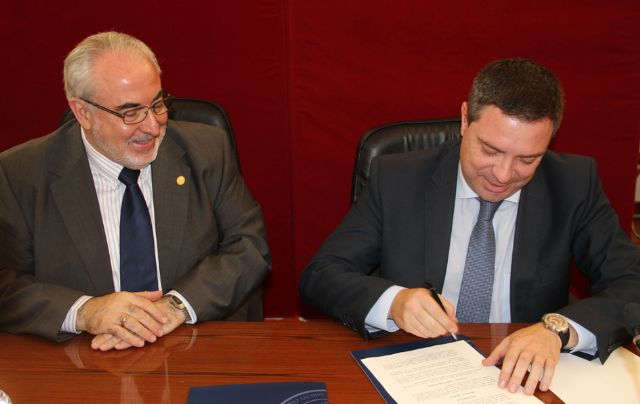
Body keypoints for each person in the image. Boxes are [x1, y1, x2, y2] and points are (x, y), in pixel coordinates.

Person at [299, 58, 640, 395]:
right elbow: (321, 274)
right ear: (465, 120)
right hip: (416, 370)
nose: (504, 175)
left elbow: (631, 282)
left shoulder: (574, 184)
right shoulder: (398, 179)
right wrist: (394, 302)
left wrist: (558, 330)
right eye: (490, 150)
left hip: (521, 380)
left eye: (527, 159)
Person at [0, 32, 271, 351]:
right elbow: (6, 282)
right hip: (81, 358)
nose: (153, 127)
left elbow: (249, 246)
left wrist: (174, 307)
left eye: (157, 104)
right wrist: (85, 311)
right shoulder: (19, 173)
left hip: (195, 349)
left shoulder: (207, 150)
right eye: (130, 113)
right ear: (82, 112)